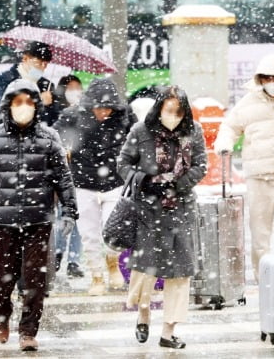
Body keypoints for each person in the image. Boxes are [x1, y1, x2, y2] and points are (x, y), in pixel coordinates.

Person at [0, 79, 77, 351]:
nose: (23, 108)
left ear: (36, 106)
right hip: (4, 219)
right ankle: (2, 315)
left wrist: (69, 211)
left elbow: (63, 179)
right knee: (5, 273)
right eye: (18, 102)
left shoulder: (48, 137)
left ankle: (28, 331)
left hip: (39, 218)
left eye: (29, 102)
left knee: (34, 277)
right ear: (8, 105)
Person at [117, 86, 207, 349]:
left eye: (179, 111)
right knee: (145, 268)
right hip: (148, 208)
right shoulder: (141, 131)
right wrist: (145, 181)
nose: (174, 116)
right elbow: (122, 164)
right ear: (159, 108)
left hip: (182, 208)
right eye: (169, 110)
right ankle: (143, 312)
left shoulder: (193, 131)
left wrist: (177, 186)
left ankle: (169, 331)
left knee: (180, 272)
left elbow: (201, 165)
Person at [213, 54, 274, 281]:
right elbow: (229, 126)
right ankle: (263, 279)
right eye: (266, 78)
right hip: (258, 177)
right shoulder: (248, 103)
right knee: (260, 235)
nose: (271, 82)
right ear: (259, 80)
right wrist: (224, 144)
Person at [53, 78, 137, 295]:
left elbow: (139, 142)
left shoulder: (125, 117)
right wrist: (64, 149)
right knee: (89, 234)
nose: (104, 113)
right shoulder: (72, 116)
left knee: (114, 229)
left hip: (115, 182)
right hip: (83, 184)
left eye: (108, 108)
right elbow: (53, 138)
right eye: (100, 108)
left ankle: (112, 261)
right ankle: (97, 276)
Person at [53, 74, 84, 277]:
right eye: (70, 87)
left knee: (76, 218)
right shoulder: (56, 113)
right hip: (61, 174)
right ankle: (56, 254)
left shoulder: (85, 113)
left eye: (78, 87)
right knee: (59, 216)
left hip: (80, 175)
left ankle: (74, 260)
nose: (75, 91)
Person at [0, 41, 62, 126]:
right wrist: (38, 102)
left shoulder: (47, 85)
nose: (42, 68)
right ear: (25, 59)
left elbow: (54, 118)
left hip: (40, 136)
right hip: (10, 134)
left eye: (45, 65)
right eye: (38, 63)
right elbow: (2, 111)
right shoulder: (4, 79)